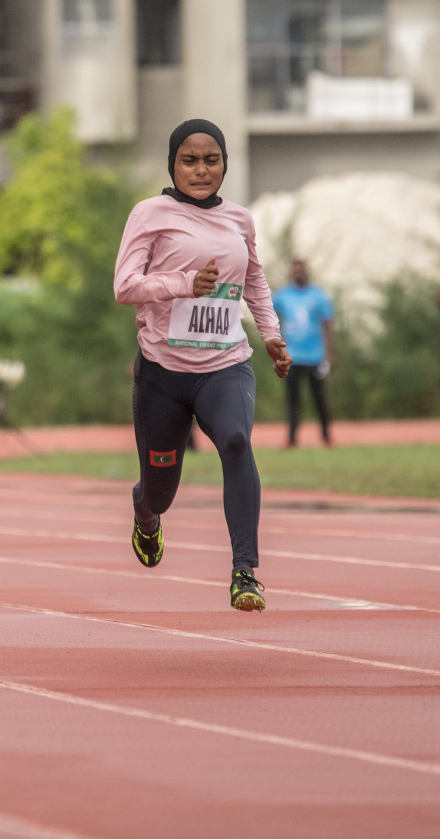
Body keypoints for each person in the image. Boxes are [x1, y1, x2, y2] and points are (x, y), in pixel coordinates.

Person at [114, 119, 291, 611]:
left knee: (236, 442)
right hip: (163, 374)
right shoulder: (150, 213)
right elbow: (124, 286)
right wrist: (182, 283)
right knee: (160, 490)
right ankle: (145, 513)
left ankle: (245, 571)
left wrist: (272, 336)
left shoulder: (240, 219)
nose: (200, 169)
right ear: (172, 163)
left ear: (225, 164)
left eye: (211, 160)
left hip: (225, 364)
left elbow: (254, 279)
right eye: (189, 160)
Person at [273, 259, 335, 447]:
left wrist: (329, 354)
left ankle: (326, 436)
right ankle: (292, 438)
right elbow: (269, 315)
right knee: (293, 399)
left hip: (315, 356)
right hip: (291, 356)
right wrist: (276, 343)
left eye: (301, 270)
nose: (298, 273)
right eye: (295, 270)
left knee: (319, 398)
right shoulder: (282, 296)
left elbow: (327, 325)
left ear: (307, 271)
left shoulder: (318, 295)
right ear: (291, 272)